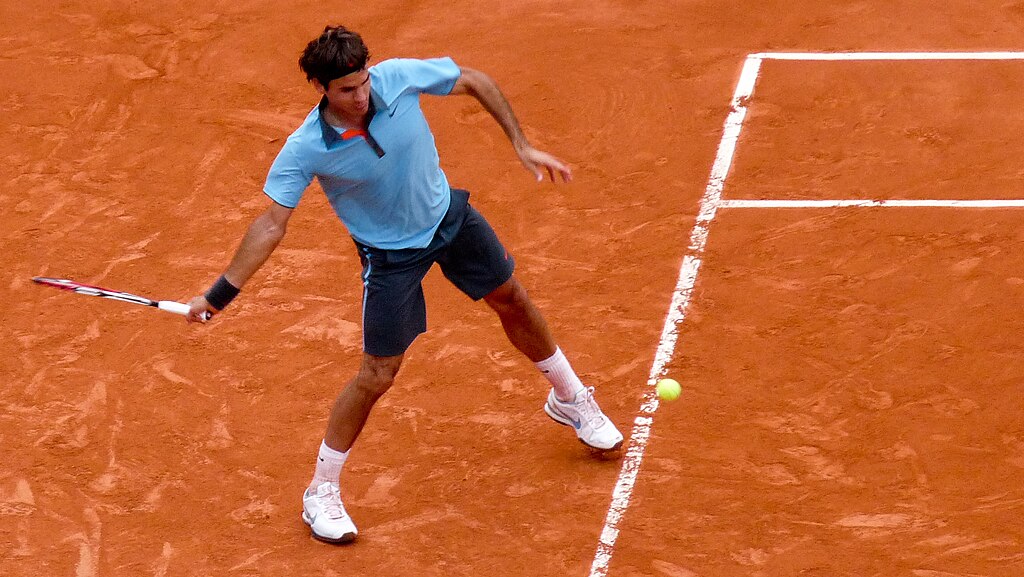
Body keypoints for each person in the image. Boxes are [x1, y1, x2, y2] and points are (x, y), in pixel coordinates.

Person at [186, 25, 623, 545]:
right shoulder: (306, 147)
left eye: (363, 82)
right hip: (390, 257)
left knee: (512, 298)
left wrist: (521, 145)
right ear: (323, 89)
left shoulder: (397, 78)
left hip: (449, 218)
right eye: (346, 90)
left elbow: (474, 80)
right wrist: (218, 295)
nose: (361, 96)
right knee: (378, 374)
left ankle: (571, 398)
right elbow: (271, 225)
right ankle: (320, 491)